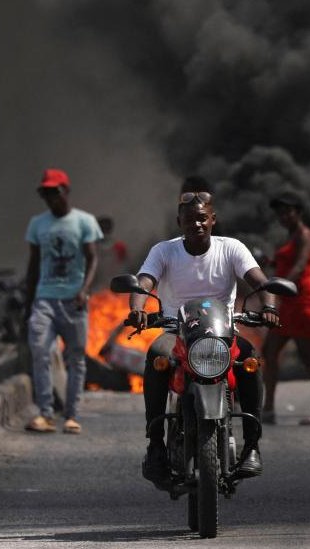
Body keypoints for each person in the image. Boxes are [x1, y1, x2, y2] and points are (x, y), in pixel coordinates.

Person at [130, 177, 279, 486]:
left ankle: (252, 446)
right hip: (177, 331)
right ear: (179, 222)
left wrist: (270, 307)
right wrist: (138, 308)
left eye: (202, 218)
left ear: (213, 219)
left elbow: (260, 281)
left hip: (223, 331)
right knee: (156, 357)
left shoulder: (232, 248)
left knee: (251, 364)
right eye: (189, 219)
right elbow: (144, 281)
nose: (196, 224)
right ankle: (155, 445)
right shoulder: (164, 251)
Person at [24, 168, 102, 434]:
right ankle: (45, 413)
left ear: (66, 191)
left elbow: (93, 258)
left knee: (76, 359)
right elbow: (33, 265)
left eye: (54, 192)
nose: (50, 198)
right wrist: (27, 302)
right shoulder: (37, 224)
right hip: (44, 298)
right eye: (45, 193)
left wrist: (84, 289)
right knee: (41, 351)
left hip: (74, 300)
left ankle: (72, 415)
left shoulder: (84, 222)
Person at [261, 191, 310, 426]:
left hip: (303, 302)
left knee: (308, 357)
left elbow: (300, 265)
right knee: (269, 352)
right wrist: (269, 263)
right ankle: (268, 408)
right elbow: (285, 263)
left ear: (298, 213)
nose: (283, 216)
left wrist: (280, 285)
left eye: (287, 211)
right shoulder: (290, 236)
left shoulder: (304, 235)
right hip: (288, 303)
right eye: (280, 212)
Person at [94, 215, 129, 289]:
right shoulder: (91, 248)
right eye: (102, 228)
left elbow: (125, 268)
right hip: (96, 288)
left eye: (106, 228)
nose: (104, 231)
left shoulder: (119, 247)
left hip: (115, 287)